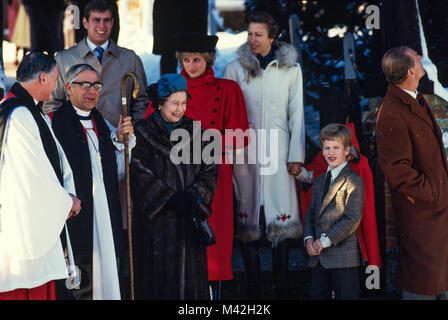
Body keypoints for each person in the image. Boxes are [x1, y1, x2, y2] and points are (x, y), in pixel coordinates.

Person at [224, 11, 305, 298]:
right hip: (245, 149)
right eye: (249, 34)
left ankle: (281, 286)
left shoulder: (291, 70)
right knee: (249, 216)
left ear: (273, 37)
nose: (253, 39)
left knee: (280, 218)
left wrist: (296, 155)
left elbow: (296, 114)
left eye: (259, 34)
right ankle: (253, 289)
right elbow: (227, 114)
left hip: (279, 150)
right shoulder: (235, 69)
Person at [49, 63, 135, 300]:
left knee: (106, 278)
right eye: (84, 84)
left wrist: (119, 141)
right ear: (68, 87)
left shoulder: (100, 121)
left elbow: (117, 171)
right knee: (79, 284)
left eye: (96, 85)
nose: (91, 91)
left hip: (104, 216)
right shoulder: (54, 123)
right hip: (76, 218)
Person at [0, 52, 81, 300]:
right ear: (43, 78)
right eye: (55, 79)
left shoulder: (23, 108)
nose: (56, 86)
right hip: (21, 225)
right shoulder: (20, 115)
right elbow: (30, 173)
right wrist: (66, 201)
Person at [131, 73, 218, 300]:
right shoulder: (142, 132)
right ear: (160, 103)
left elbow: (210, 169)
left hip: (189, 220)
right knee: (157, 284)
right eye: (174, 104)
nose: (180, 109)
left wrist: (194, 196)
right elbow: (137, 169)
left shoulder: (197, 132)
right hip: (156, 224)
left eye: (184, 103)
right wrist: (166, 197)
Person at [376, 46, 448, 299]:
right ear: (410, 71)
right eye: (417, 60)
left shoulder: (412, 99)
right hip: (421, 214)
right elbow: (397, 170)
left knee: (438, 281)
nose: (421, 61)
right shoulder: (392, 113)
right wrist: (432, 193)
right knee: (422, 287)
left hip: (435, 212)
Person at [46, 0, 147, 127]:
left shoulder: (130, 59)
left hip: (120, 141)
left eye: (106, 20)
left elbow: (141, 100)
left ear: (112, 23)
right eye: (96, 20)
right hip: (76, 141)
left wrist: (132, 130)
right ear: (85, 23)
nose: (101, 26)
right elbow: (52, 104)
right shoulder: (63, 59)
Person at [303, 123, 364, 300]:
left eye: (336, 148)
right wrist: (308, 240)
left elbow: (352, 218)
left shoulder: (354, 180)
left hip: (343, 258)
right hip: (318, 258)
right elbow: (311, 214)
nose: (331, 153)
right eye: (326, 148)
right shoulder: (320, 180)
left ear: (347, 150)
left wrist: (324, 241)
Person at [152, 0, 208, 75]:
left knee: (193, 54)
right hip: (169, 15)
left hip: (192, 15)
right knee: (169, 55)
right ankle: (169, 84)